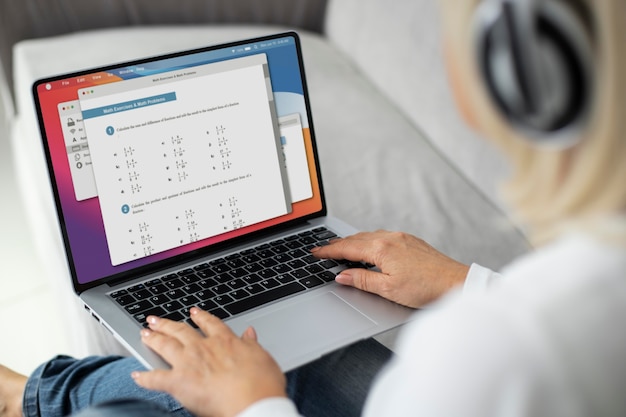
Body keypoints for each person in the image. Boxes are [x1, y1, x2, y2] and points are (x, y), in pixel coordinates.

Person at [2, 0, 626, 416]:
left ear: (522, 75)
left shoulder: (488, 354)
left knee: (229, 368)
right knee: (287, 350)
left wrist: (254, 404)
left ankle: (32, 396)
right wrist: (465, 283)